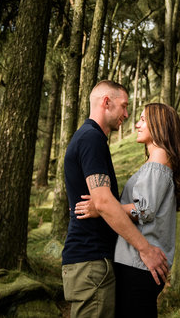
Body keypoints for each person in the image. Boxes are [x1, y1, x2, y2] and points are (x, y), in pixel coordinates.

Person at [61, 80, 170, 318]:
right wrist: (145, 249)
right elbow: (103, 202)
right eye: (124, 106)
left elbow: (100, 202)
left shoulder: (88, 138)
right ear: (106, 102)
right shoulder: (91, 138)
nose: (127, 114)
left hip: (92, 260)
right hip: (90, 260)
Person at [75, 102, 180, 318]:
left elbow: (144, 211)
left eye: (143, 119)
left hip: (140, 265)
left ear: (159, 125)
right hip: (138, 264)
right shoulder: (157, 161)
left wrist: (102, 208)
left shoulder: (159, 159)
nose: (136, 124)